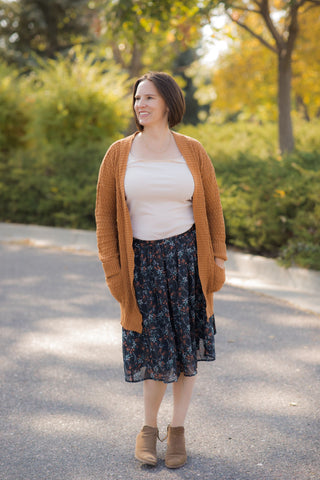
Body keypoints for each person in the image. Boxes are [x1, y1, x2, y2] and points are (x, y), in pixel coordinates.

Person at [95, 72, 227, 469]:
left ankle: (178, 431)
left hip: (188, 260)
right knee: (154, 351)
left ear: (168, 102)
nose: (141, 105)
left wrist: (218, 258)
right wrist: (114, 270)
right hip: (142, 265)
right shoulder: (119, 153)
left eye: (149, 97)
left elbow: (212, 208)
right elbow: (104, 215)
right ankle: (148, 430)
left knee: (187, 350)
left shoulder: (192, 150)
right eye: (137, 98)